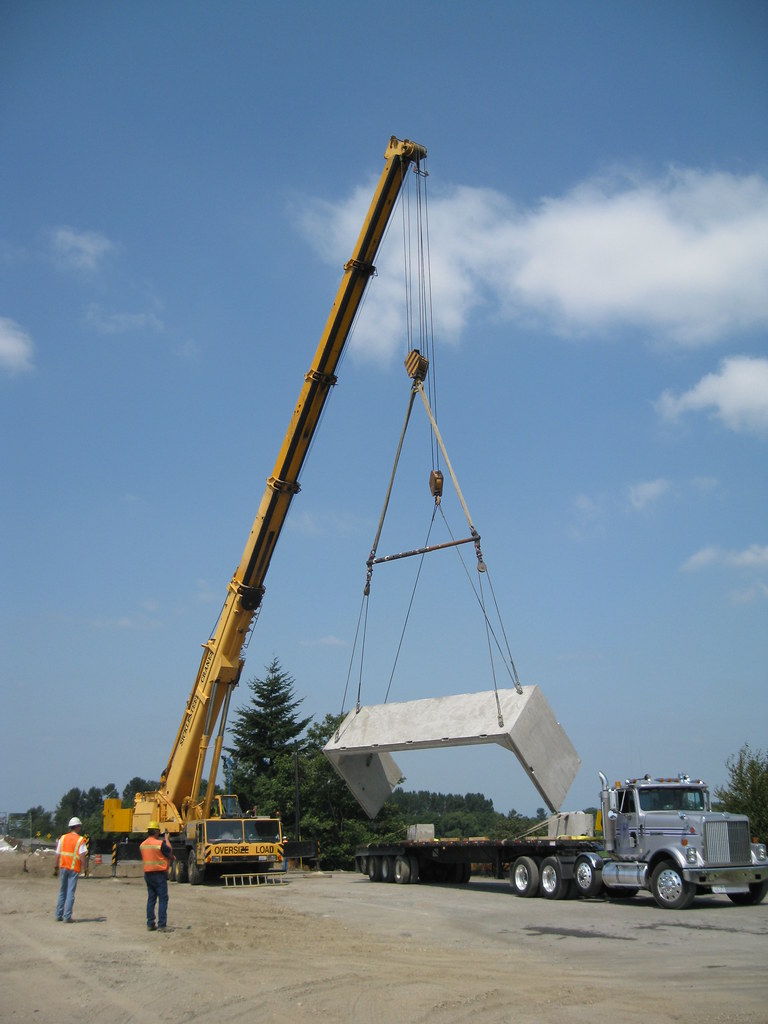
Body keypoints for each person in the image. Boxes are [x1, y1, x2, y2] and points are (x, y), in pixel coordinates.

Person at [140, 821, 174, 931]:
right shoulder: (159, 844)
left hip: (148, 874)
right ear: (155, 831)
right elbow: (169, 852)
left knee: (151, 899)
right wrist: (167, 839)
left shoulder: (142, 845)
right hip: (159, 875)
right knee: (163, 899)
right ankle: (162, 925)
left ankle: (150, 923)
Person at [55, 816, 89, 922]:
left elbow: (57, 854)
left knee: (62, 892)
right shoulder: (80, 840)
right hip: (74, 869)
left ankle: (58, 915)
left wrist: (56, 867)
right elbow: (82, 857)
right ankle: (67, 917)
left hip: (63, 867)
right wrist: (86, 870)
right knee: (70, 893)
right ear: (77, 827)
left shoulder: (63, 838)